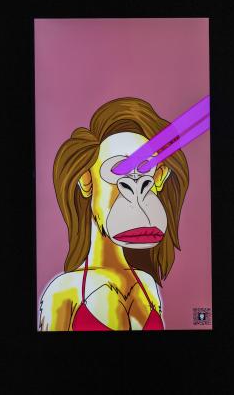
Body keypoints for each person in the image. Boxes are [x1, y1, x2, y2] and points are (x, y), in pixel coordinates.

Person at [38, 98, 189, 331]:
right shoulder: (62, 293)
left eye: (147, 171)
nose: (136, 187)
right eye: (120, 170)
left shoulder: (148, 286)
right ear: (86, 181)